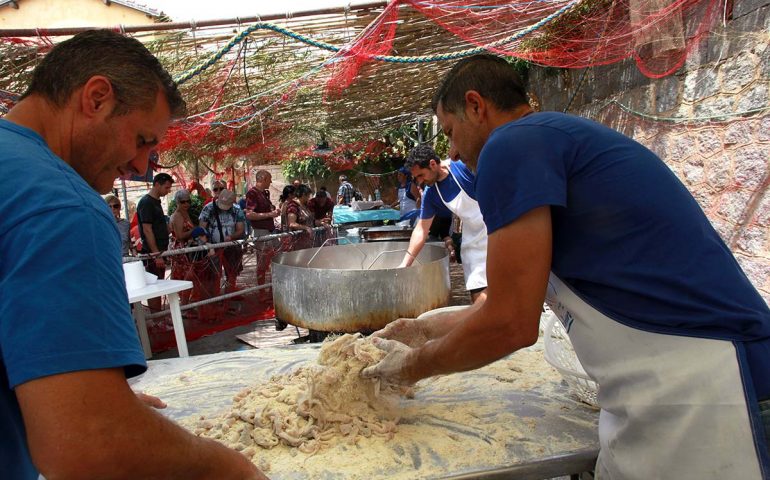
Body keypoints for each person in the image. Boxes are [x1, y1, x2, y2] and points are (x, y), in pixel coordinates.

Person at [362, 54, 770, 479]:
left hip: (715, 388)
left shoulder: (512, 144)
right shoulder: (548, 138)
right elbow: (505, 302)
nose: (452, 151)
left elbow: (511, 324)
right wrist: (422, 330)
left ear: (476, 105)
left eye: (451, 132)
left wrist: (411, 367)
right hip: (674, 389)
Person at [0, 29, 263, 480]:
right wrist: (225, 466)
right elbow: (89, 444)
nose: (141, 166)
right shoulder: (62, 206)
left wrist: (78, 390)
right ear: (96, 98)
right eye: (142, 140)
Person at [399, 144, 488, 303]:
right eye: (416, 178)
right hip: (474, 244)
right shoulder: (431, 194)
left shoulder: (462, 168)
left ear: (433, 164)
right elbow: (421, 229)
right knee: (480, 300)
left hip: (496, 230)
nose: (419, 181)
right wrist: (405, 264)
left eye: (421, 175)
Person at [199, 188, 246, 294]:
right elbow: (202, 229)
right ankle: (215, 297)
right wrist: (207, 245)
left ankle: (229, 296)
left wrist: (232, 237)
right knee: (214, 274)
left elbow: (240, 229)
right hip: (213, 247)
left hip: (231, 246)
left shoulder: (237, 209)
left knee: (232, 272)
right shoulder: (208, 208)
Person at [244, 169, 280, 237]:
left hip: (269, 231)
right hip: (260, 232)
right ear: (264, 179)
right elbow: (249, 215)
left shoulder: (263, 193)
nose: (271, 182)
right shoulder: (253, 193)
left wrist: (272, 210)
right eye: (270, 179)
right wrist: (270, 214)